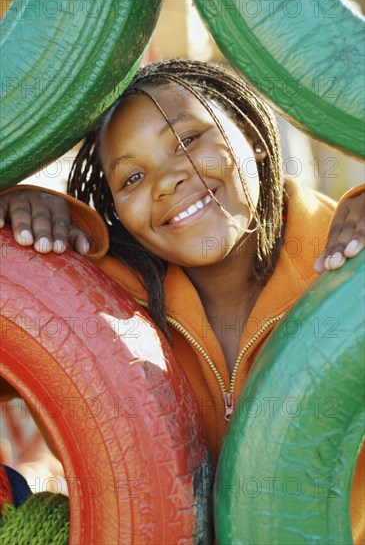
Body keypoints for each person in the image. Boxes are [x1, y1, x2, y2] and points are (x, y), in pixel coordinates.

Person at [0, 60, 364, 542]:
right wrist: (18, 244)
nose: (167, 180)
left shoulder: (344, 261)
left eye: (189, 141)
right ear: (117, 213)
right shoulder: (101, 305)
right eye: (131, 179)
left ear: (253, 136)